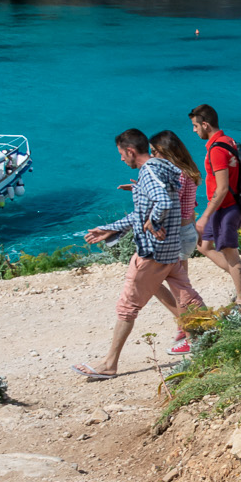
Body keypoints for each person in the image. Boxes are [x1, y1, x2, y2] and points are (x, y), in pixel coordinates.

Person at [75, 129, 202, 381]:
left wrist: (154, 222)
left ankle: (109, 364)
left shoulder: (149, 171)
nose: (121, 159)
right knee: (188, 299)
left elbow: (162, 203)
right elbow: (144, 211)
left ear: (131, 151)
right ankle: (213, 343)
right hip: (170, 250)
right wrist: (111, 228)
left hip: (152, 253)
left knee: (127, 307)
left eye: (122, 154)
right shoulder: (165, 168)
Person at [189, 104, 241, 308]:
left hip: (225, 208)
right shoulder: (228, 140)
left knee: (230, 253)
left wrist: (205, 216)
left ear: (205, 125)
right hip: (224, 206)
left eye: (195, 126)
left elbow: (223, 187)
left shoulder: (217, 149)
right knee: (203, 245)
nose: (194, 130)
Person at [149, 130, 207, 355]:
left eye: (154, 152)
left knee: (172, 286)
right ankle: (186, 327)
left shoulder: (176, 175)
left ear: (165, 152)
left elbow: (170, 206)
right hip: (187, 231)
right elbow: (189, 207)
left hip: (177, 234)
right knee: (180, 286)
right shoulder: (188, 171)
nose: (152, 156)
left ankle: (192, 333)